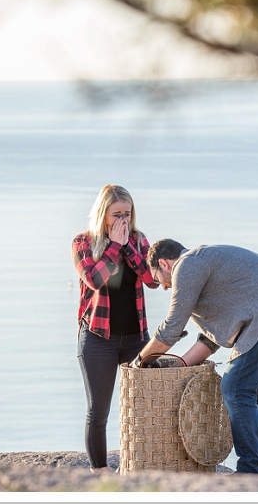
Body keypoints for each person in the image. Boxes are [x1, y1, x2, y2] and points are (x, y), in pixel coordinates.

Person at [133, 239, 258, 477]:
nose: (165, 288)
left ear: (164, 264)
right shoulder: (205, 263)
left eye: (159, 280)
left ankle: (251, 471)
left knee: (235, 387)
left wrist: (140, 360)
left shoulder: (187, 265)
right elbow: (211, 340)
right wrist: (180, 364)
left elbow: (171, 328)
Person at [71, 184, 158, 473]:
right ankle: (100, 474)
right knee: (98, 412)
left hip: (136, 339)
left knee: (144, 409)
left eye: (127, 213)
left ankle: (139, 466)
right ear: (103, 214)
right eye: (116, 214)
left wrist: (128, 247)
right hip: (98, 339)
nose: (122, 219)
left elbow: (152, 279)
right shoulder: (83, 242)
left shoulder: (139, 240)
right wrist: (113, 247)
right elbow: (94, 280)